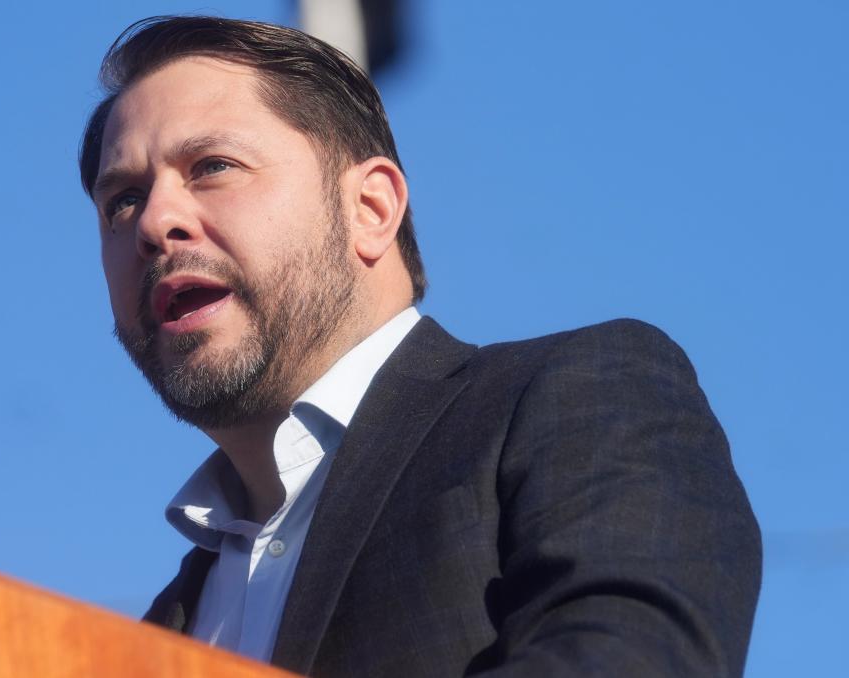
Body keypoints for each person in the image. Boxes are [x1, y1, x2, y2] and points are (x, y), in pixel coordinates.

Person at [79, 15, 761, 678]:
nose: (156, 222)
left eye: (213, 166)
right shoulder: (157, 628)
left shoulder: (578, 395)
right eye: (122, 201)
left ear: (370, 209)